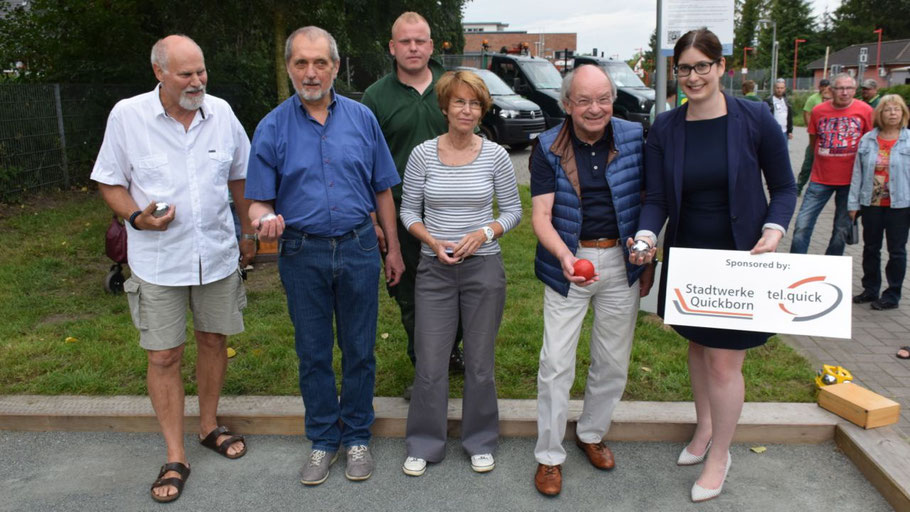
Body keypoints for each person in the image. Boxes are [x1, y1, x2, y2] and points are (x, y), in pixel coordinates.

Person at [630, 28, 796, 503]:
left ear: (722, 67)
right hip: (689, 256)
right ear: (675, 71)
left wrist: (774, 229)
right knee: (700, 349)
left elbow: (783, 187)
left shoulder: (754, 118)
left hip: (741, 258)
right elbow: (657, 197)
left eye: (703, 65)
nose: (693, 76)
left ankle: (720, 454)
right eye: (684, 67)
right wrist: (646, 233)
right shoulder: (666, 126)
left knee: (725, 361)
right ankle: (704, 431)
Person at [90, 35, 255, 503]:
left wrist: (248, 233)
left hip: (218, 255)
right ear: (159, 73)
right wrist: (137, 217)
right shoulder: (128, 116)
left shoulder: (221, 113)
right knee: (163, 356)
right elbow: (109, 180)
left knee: (213, 340)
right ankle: (175, 453)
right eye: (186, 74)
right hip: (159, 261)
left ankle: (207, 426)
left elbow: (240, 175)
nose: (197, 82)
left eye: (201, 71)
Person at [244, 26, 404, 486]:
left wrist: (392, 247)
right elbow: (257, 200)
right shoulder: (272, 126)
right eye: (301, 63)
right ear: (289, 67)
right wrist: (264, 217)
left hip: (358, 247)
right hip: (301, 251)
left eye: (320, 63)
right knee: (313, 352)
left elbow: (382, 189)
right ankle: (321, 440)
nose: (311, 73)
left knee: (359, 349)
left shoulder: (362, 119)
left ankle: (355, 435)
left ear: (335, 67)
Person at [530, 64, 654, 497]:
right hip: (571, 259)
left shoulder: (636, 137)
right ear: (567, 104)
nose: (595, 108)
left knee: (612, 360)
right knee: (555, 364)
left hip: (622, 261)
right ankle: (548, 456)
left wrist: (647, 259)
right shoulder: (547, 146)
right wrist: (564, 255)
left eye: (603, 98)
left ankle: (591, 432)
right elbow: (541, 215)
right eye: (584, 100)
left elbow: (649, 201)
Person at [399, 70, 522, 477]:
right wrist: (432, 242)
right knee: (431, 363)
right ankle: (424, 443)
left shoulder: (496, 156)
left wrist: (485, 231)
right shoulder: (422, 154)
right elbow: (407, 212)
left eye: (474, 103)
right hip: (435, 268)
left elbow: (512, 211)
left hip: (483, 268)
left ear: (481, 109)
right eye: (459, 102)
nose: (466, 110)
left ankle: (480, 440)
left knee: (480, 362)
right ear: (445, 107)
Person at [362, 12, 464, 394]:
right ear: (392, 47)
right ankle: (424, 369)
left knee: (458, 289)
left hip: (453, 210)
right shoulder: (376, 97)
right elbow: (367, 163)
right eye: (405, 42)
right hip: (401, 213)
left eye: (420, 41)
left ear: (432, 45)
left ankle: (449, 352)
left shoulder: (453, 86)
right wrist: (374, 217)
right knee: (411, 295)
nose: (413, 48)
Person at [790, 74, 874, 256]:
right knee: (802, 225)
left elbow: (870, 142)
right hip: (820, 179)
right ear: (831, 90)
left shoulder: (865, 110)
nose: (845, 92)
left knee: (840, 230)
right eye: (840, 88)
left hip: (851, 181)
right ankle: (796, 266)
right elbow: (813, 142)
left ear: (854, 90)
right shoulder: (819, 111)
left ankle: (831, 267)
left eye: (849, 88)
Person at [848, 95, 910, 311]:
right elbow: (857, 173)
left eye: (897, 109)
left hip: (900, 205)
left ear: (903, 113)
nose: (893, 113)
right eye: (887, 110)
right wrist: (853, 203)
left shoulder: (908, 140)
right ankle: (870, 289)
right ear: (880, 114)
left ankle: (892, 294)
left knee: (897, 251)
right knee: (871, 248)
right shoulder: (867, 140)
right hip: (872, 203)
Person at [797, 79, 833, 195]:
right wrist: (810, 128)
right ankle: (798, 187)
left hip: (831, 144)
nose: (825, 100)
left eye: (828, 98)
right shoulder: (815, 103)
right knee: (808, 164)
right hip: (816, 140)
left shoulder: (837, 108)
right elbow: (806, 113)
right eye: (824, 98)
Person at [765, 78, 793, 143]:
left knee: (784, 152)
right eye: (778, 88)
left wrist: (790, 131)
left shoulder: (787, 101)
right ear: (774, 88)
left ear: (784, 89)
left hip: (784, 132)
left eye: (781, 88)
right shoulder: (768, 101)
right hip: (773, 132)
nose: (779, 90)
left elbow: (789, 117)